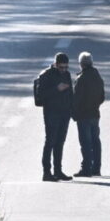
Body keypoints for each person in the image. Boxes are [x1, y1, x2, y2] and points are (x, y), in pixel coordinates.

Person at [36, 53, 74, 182]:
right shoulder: (46, 75)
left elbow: (71, 93)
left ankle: (58, 171)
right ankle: (47, 172)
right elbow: (41, 95)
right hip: (51, 112)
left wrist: (71, 109)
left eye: (66, 67)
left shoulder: (67, 75)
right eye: (61, 67)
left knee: (60, 142)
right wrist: (57, 89)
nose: (63, 70)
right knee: (50, 141)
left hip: (64, 113)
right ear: (56, 64)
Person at [72, 51, 105, 177]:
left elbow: (77, 99)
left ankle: (86, 168)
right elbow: (102, 97)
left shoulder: (81, 78)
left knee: (86, 142)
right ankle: (96, 168)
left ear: (81, 64)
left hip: (83, 115)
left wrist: (74, 113)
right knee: (95, 141)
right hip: (95, 113)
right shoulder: (97, 76)